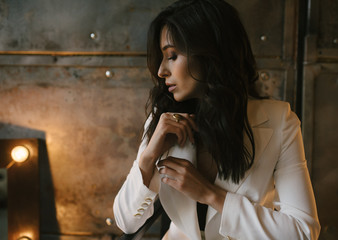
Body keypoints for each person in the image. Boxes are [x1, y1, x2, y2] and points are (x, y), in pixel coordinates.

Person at [113, 0, 320, 239]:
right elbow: (126, 223)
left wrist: (211, 195)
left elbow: (303, 232)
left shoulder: (280, 122)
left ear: (210, 54)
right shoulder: (164, 121)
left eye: (172, 55)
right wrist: (148, 158)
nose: (161, 71)